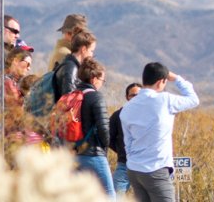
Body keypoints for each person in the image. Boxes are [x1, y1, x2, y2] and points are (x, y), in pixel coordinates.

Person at [121, 62, 199, 202]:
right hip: (156, 169)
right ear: (161, 82)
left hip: (134, 169)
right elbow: (193, 99)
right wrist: (176, 78)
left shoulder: (127, 108)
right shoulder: (165, 100)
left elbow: (128, 143)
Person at [74, 58, 114, 197]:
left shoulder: (71, 95)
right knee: (108, 194)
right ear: (93, 78)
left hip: (73, 153)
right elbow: (104, 128)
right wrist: (105, 146)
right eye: (102, 80)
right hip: (93, 153)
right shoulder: (96, 97)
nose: (102, 84)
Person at [110, 82, 142, 198]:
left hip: (145, 165)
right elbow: (109, 138)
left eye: (138, 95)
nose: (135, 98)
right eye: (132, 95)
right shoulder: (118, 115)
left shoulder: (149, 115)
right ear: (127, 97)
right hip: (124, 164)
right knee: (115, 197)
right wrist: (121, 150)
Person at [52, 29, 96, 103]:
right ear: (84, 49)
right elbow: (69, 101)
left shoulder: (69, 64)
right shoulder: (71, 68)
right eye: (91, 51)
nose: (92, 55)